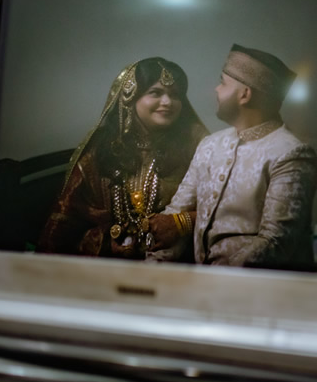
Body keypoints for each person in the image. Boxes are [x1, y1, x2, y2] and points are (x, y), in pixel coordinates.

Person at [147, 44, 317, 269]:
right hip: (203, 289)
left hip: (259, 294)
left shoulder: (290, 153)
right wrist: (150, 269)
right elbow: (175, 215)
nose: (217, 90)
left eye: (223, 83)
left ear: (244, 94)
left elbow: (276, 243)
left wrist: (215, 282)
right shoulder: (210, 145)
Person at [38, 57, 208, 259]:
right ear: (130, 98)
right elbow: (61, 228)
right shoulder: (100, 150)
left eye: (175, 95)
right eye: (155, 93)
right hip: (105, 269)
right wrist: (107, 242)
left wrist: (181, 223)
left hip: (175, 268)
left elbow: (226, 211)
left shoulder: (197, 145)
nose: (168, 102)